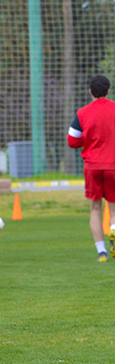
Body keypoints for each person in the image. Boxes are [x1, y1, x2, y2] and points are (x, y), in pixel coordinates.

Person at [67, 74, 115, 262]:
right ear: (108, 91)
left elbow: (72, 140)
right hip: (113, 166)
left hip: (92, 167)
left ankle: (101, 252)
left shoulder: (82, 113)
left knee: (95, 210)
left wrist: (88, 140)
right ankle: (113, 231)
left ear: (90, 92)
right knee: (114, 209)